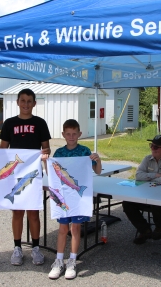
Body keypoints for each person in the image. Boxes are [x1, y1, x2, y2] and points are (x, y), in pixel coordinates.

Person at [0, 88, 51, 266]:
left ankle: (35, 248)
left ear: (34, 103)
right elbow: (3, 148)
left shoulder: (40, 123)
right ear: (17, 102)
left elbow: (46, 149)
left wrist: (45, 158)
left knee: (34, 213)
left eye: (29, 101)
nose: (26, 104)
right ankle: (17, 248)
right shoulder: (9, 123)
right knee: (17, 212)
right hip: (15, 173)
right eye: (23, 100)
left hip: (33, 174)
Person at [48, 119, 102, 280]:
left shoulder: (85, 151)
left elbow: (97, 171)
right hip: (63, 197)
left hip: (78, 199)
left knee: (75, 229)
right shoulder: (58, 153)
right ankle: (58, 260)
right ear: (63, 135)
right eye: (68, 134)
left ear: (79, 134)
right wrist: (45, 161)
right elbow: (51, 174)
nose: (71, 137)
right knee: (63, 229)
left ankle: (72, 261)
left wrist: (98, 160)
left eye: (74, 134)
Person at [122, 134, 161, 244]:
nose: (152, 148)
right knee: (127, 203)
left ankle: (160, 225)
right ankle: (144, 230)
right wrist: (156, 175)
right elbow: (138, 176)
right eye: (151, 145)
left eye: (156, 147)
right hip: (147, 195)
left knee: (155, 199)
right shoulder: (147, 159)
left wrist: (148, 177)